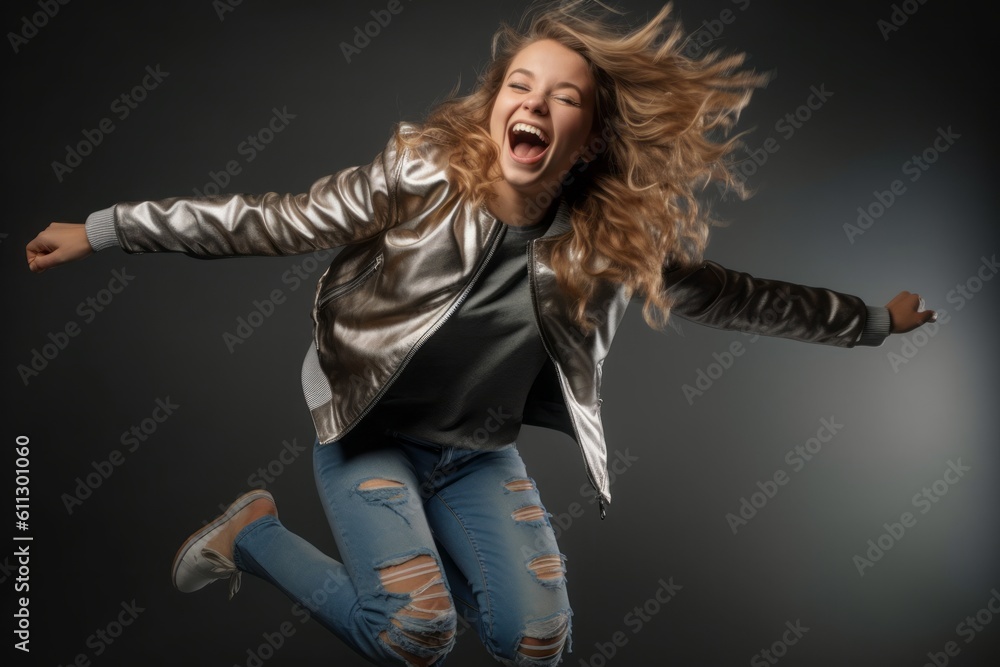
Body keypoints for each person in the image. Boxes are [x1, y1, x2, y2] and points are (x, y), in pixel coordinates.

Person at [25, 2, 935, 665]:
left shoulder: (605, 243)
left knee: (536, 643)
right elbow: (269, 220)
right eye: (519, 85)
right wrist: (104, 227)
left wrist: (869, 322)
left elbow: (732, 296)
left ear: (589, 137)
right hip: (369, 432)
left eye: (564, 97)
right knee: (415, 632)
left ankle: (427, 551)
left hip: (475, 454)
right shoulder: (419, 176)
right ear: (498, 106)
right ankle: (253, 532)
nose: (534, 102)